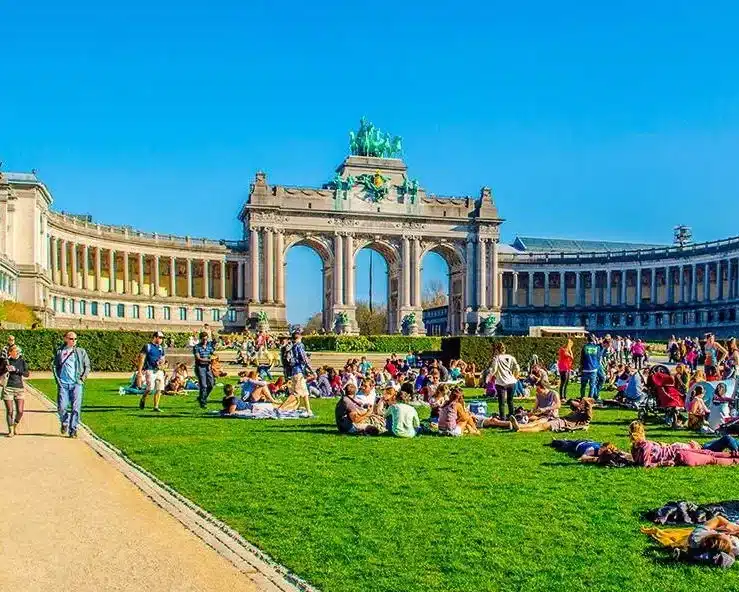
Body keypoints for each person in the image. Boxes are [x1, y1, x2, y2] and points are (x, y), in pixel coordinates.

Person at [52, 331, 91, 438]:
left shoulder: (81, 351)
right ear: (65, 339)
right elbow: (55, 366)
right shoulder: (60, 351)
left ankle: (73, 429)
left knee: (75, 408)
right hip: (63, 384)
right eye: (71, 339)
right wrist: (58, 380)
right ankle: (64, 422)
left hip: (76, 384)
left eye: (75, 339)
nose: (74, 341)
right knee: (62, 407)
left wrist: (82, 378)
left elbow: (87, 366)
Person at [284, 329, 313, 415]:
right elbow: (304, 359)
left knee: (303, 392)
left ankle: (308, 410)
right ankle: (284, 408)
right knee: (298, 392)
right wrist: (312, 370)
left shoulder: (292, 347)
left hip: (295, 371)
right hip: (299, 371)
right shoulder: (299, 346)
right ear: (300, 337)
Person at [489, 341, 521, 420]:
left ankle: (502, 418)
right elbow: (517, 368)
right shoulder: (511, 357)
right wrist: (515, 376)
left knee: (502, 403)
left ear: (497, 350)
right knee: (510, 401)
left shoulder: (496, 358)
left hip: (501, 382)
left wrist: (490, 375)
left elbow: (494, 370)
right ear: (505, 349)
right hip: (511, 381)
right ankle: (512, 417)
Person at [3, 345, 29, 437]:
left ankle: (15, 425)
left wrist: (16, 370)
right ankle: (10, 430)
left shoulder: (22, 361)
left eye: (18, 351)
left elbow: (27, 374)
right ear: (10, 353)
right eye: (15, 351)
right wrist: (5, 369)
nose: (17, 353)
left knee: (20, 411)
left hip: (19, 388)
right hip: (8, 388)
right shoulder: (6, 361)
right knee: (10, 411)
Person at [137, 331, 166, 412]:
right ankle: (143, 398)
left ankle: (156, 406)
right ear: (155, 337)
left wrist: (161, 363)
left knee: (159, 388)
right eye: (160, 338)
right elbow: (141, 359)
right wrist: (139, 371)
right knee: (150, 388)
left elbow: (163, 358)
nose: (161, 340)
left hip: (159, 370)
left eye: (162, 338)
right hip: (149, 369)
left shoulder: (161, 348)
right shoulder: (148, 346)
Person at [193, 331, 216, 408]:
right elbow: (198, 358)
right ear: (200, 339)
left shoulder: (209, 346)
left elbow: (213, 354)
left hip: (208, 367)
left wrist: (215, 357)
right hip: (200, 367)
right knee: (203, 385)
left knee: (211, 384)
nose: (205, 341)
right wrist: (209, 360)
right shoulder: (197, 347)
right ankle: (203, 402)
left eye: (206, 339)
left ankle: (202, 397)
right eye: (203, 339)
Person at [580, 334, 602, 400]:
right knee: (592, 386)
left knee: (583, 385)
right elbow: (598, 358)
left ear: (587, 339)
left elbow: (582, 358)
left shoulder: (585, 347)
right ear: (594, 339)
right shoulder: (597, 347)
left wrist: (581, 367)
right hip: (593, 369)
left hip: (585, 369)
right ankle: (590, 399)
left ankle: (582, 398)